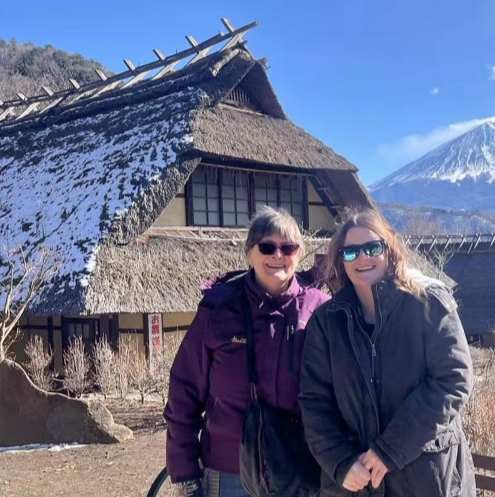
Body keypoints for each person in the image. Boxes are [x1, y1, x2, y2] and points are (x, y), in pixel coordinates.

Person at [298, 208, 476, 497]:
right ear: (341, 259)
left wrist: (389, 450)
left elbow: (453, 379)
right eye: (351, 252)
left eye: (372, 247)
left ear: (389, 249)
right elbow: (314, 401)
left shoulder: (428, 303)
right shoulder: (326, 322)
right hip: (355, 485)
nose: (362, 258)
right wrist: (340, 462)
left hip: (426, 480)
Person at [164, 206, 330, 497]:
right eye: (267, 247)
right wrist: (185, 475)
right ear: (249, 253)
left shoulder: (321, 309)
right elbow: (184, 390)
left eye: (287, 247)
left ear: (299, 253)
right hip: (230, 470)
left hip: (301, 469)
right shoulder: (219, 309)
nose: (278, 255)